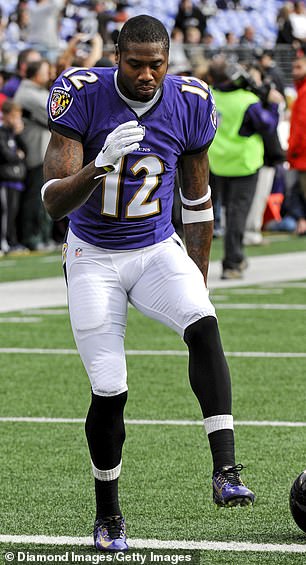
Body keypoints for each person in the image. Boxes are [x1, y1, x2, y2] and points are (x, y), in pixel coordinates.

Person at [43, 15, 255, 552]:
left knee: (204, 324)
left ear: (168, 61)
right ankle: (108, 513)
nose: (146, 75)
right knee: (110, 388)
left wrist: (198, 278)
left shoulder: (189, 99)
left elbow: (198, 203)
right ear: (117, 55)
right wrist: (99, 164)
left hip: (157, 248)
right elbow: (52, 203)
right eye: (135, 63)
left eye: (156, 64)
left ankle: (225, 469)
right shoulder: (79, 94)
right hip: (93, 255)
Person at [207, 58, 281, 279]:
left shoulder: (209, 94)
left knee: (216, 213)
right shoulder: (247, 100)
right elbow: (268, 125)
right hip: (243, 164)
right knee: (237, 214)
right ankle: (232, 262)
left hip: (217, 161)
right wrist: (275, 105)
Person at [14, 59, 53, 250]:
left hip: (44, 152)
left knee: (44, 198)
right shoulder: (28, 94)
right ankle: (32, 238)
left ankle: (44, 237)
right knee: (35, 199)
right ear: (35, 74)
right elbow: (55, 114)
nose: (49, 74)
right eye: (46, 71)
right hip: (35, 153)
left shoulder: (38, 92)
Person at [0, 99, 27, 254]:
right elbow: (6, 155)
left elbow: (25, 152)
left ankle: (12, 241)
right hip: (5, 178)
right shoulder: (2, 133)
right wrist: (18, 156)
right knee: (5, 212)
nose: (18, 120)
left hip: (16, 179)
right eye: (15, 116)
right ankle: (4, 242)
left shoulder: (13, 134)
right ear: (7, 116)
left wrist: (18, 135)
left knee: (13, 212)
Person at [287, 55, 306, 229]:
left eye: (299, 67)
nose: (294, 72)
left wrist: (292, 150)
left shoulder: (304, 92)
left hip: (302, 156)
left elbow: (301, 127)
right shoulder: (300, 91)